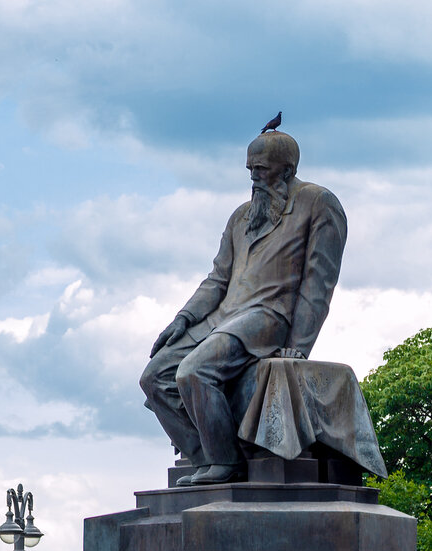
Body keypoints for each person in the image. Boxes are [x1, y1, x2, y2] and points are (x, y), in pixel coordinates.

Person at [140, 130, 347, 485]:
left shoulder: (318, 203)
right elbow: (218, 279)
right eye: (249, 168)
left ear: (286, 170)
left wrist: (299, 345)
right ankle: (205, 457)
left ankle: (226, 463)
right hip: (221, 317)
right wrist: (183, 319)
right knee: (154, 377)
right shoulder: (241, 216)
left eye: (261, 169)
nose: (253, 177)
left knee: (194, 372)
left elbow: (319, 281)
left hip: (268, 316)